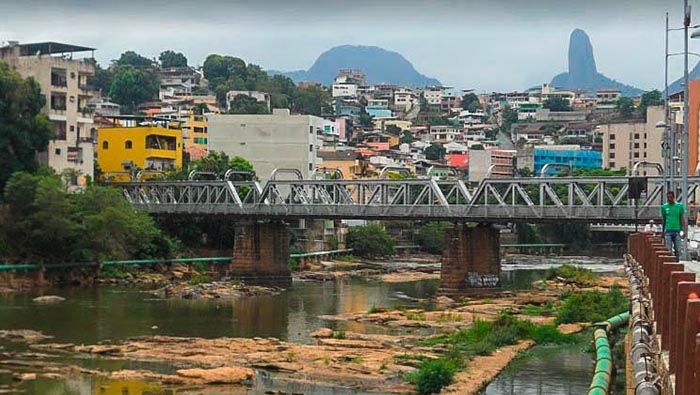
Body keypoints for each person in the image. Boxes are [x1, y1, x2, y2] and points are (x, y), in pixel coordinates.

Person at [661, 191, 686, 259]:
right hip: (668, 230)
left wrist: (684, 230)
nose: (669, 199)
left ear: (673, 197)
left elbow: (682, 219)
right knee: (668, 249)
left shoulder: (679, 206)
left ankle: (677, 261)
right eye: (668, 197)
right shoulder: (664, 207)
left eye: (671, 197)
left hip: (677, 230)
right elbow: (664, 219)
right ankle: (670, 262)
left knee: (678, 249)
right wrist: (662, 231)